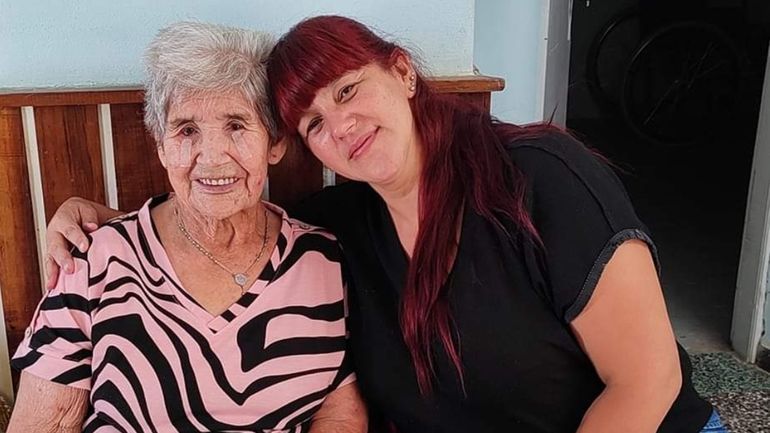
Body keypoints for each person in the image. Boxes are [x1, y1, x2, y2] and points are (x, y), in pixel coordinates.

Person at [44, 15, 726, 433]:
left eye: (348, 89)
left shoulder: (539, 176)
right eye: (314, 122)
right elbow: (222, 212)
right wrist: (106, 225)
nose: (341, 125)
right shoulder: (340, 229)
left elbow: (647, 382)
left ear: (401, 72)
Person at [8, 21, 366, 433]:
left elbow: (340, 412)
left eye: (236, 125)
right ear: (161, 146)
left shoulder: (323, 260)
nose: (212, 157)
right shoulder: (93, 261)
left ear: (275, 143)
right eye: (187, 130)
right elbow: (46, 423)